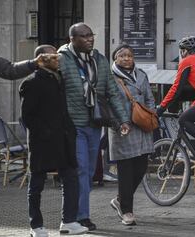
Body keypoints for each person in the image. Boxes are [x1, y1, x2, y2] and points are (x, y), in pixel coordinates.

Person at [58, 22, 131, 231]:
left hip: (95, 123)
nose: (90, 39)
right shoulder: (62, 60)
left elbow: (112, 92)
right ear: (72, 39)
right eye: (84, 36)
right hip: (73, 125)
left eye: (91, 35)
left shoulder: (99, 59)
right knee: (80, 170)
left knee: (89, 172)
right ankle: (78, 217)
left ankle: (81, 215)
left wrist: (123, 119)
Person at [19, 45, 88, 236]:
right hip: (43, 142)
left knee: (71, 178)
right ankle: (36, 226)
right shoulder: (31, 82)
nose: (58, 60)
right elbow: (28, 116)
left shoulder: (59, 79)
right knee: (37, 184)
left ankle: (69, 221)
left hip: (64, 140)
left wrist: (70, 131)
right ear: (41, 59)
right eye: (54, 57)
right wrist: (46, 133)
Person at [108, 44, 155, 226]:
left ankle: (120, 199)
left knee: (141, 167)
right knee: (126, 170)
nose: (127, 58)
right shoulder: (111, 77)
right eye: (122, 56)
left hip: (142, 126)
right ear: (115, 58)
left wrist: (149, 114)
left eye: (130, 55)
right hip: (124, 127)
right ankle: (127, 211)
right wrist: (119, 122)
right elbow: (108, 103)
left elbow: (150, 97)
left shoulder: (141, 74)